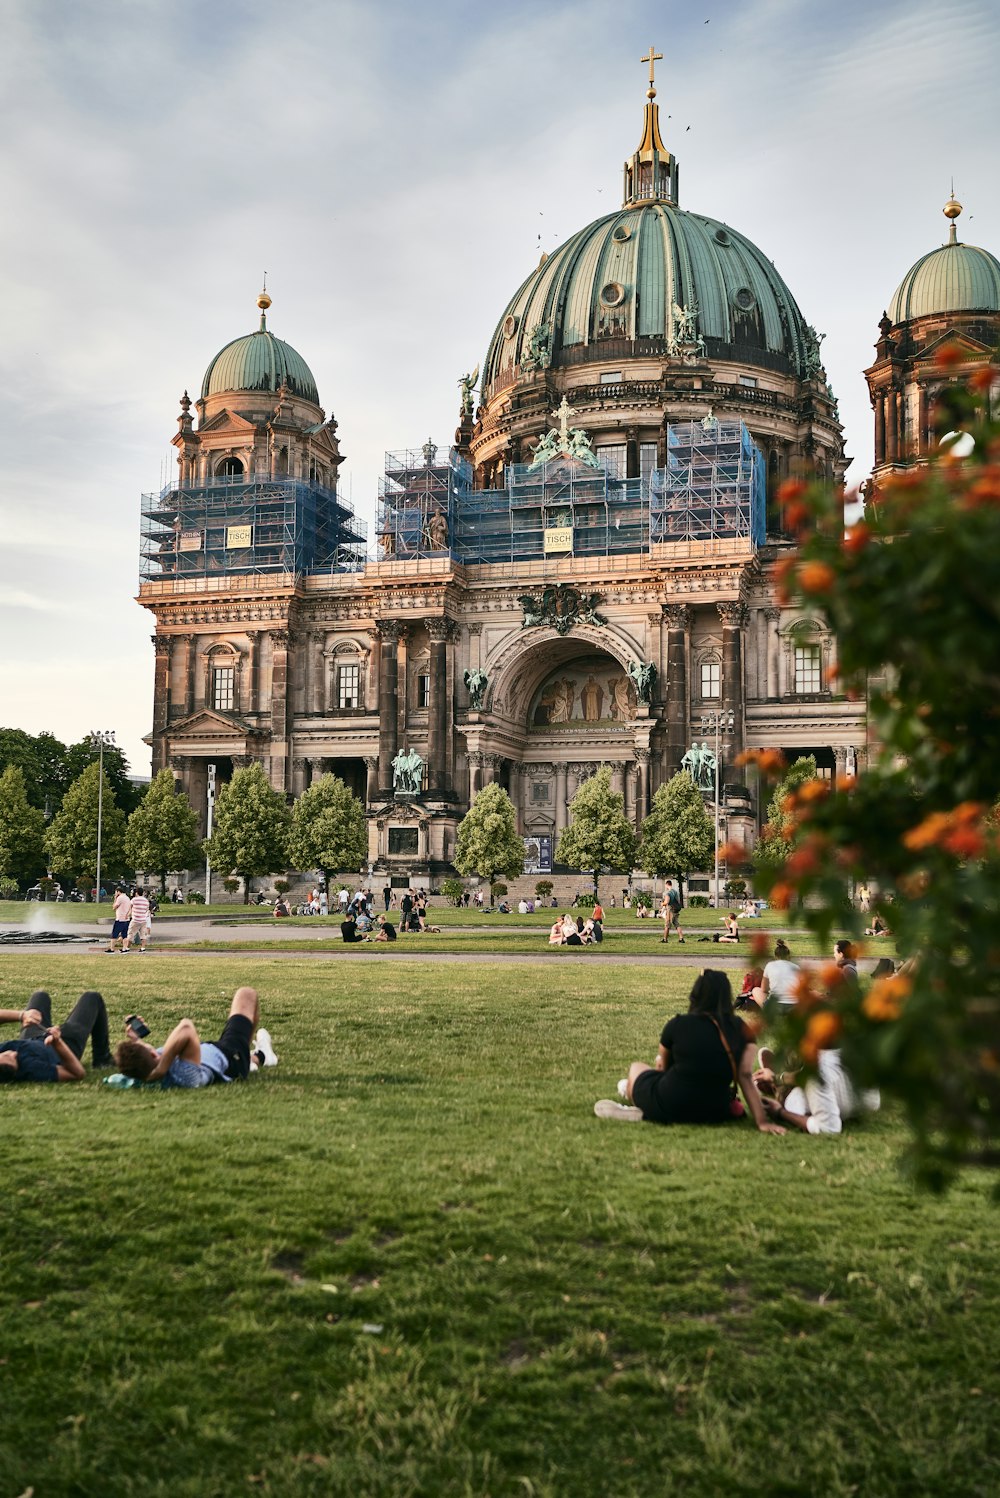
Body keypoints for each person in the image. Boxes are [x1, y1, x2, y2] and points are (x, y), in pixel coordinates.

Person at [606, 971, 784, 1133]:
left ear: (696, 994)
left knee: (637, 1068)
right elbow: (745, 1076)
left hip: (672, 1101)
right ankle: (637, 1098)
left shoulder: (678, 1024)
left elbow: (663, 1067)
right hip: (715, 1108)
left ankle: (635, 1099)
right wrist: (762, 1122)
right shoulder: (741, 1029)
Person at [114, 986, 277, 1087]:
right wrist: (163, 1067)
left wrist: (137, 1040)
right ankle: (261, 1056)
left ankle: (253, 1059)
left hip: (214, 1052)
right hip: (231, 1059)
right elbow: (186, 1027)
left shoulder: (147, 1068)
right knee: (247, 994)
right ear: (152, 1054)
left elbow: (139, 1064)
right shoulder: (185, 1075)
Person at [0, 989, 114, 1082]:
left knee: (40, 996)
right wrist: (58, 1043)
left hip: (32, 1037)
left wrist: (22, 1016)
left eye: (6, 1055)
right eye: (15, 1059)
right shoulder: (32, 1069)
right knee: (92, 997)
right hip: (62, 1046)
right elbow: (77, 1073)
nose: (14, 1053)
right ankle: (102, 1059)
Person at [759, 1048, 880, 1135]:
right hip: (868, 1100)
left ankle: (780, 1092)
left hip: (823, 1089)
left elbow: (829, 1128)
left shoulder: (817, 1074)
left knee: (795, 1102)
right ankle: (779, 1084)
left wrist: (780, 1112)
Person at [761, 940, 800, 1007]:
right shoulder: (796, 967)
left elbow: (764, 989)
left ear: (775, 956)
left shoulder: (770, 965)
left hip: (775, 1006)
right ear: (788, 955)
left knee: (755, 990)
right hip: (794, 1006)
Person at [122, 887, 151, 953]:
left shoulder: (134, 900)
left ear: (136, 893)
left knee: (130, 933)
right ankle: (143, 948)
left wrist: (127, 915)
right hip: (143, 920)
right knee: (143, 934)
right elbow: (146, 909)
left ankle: (127, 947)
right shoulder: (146, 901)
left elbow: (130, 907)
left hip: (135, 919)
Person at [105, 885, 132, 953]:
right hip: (126, 919)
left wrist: (115, 898)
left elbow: (114, 907)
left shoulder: (120, 898)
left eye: (116, 892)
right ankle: (125, 948)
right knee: (124, 935)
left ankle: (112, 948)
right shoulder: (127, 898)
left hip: (120, 919)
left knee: (114, 934)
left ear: (118, 891)